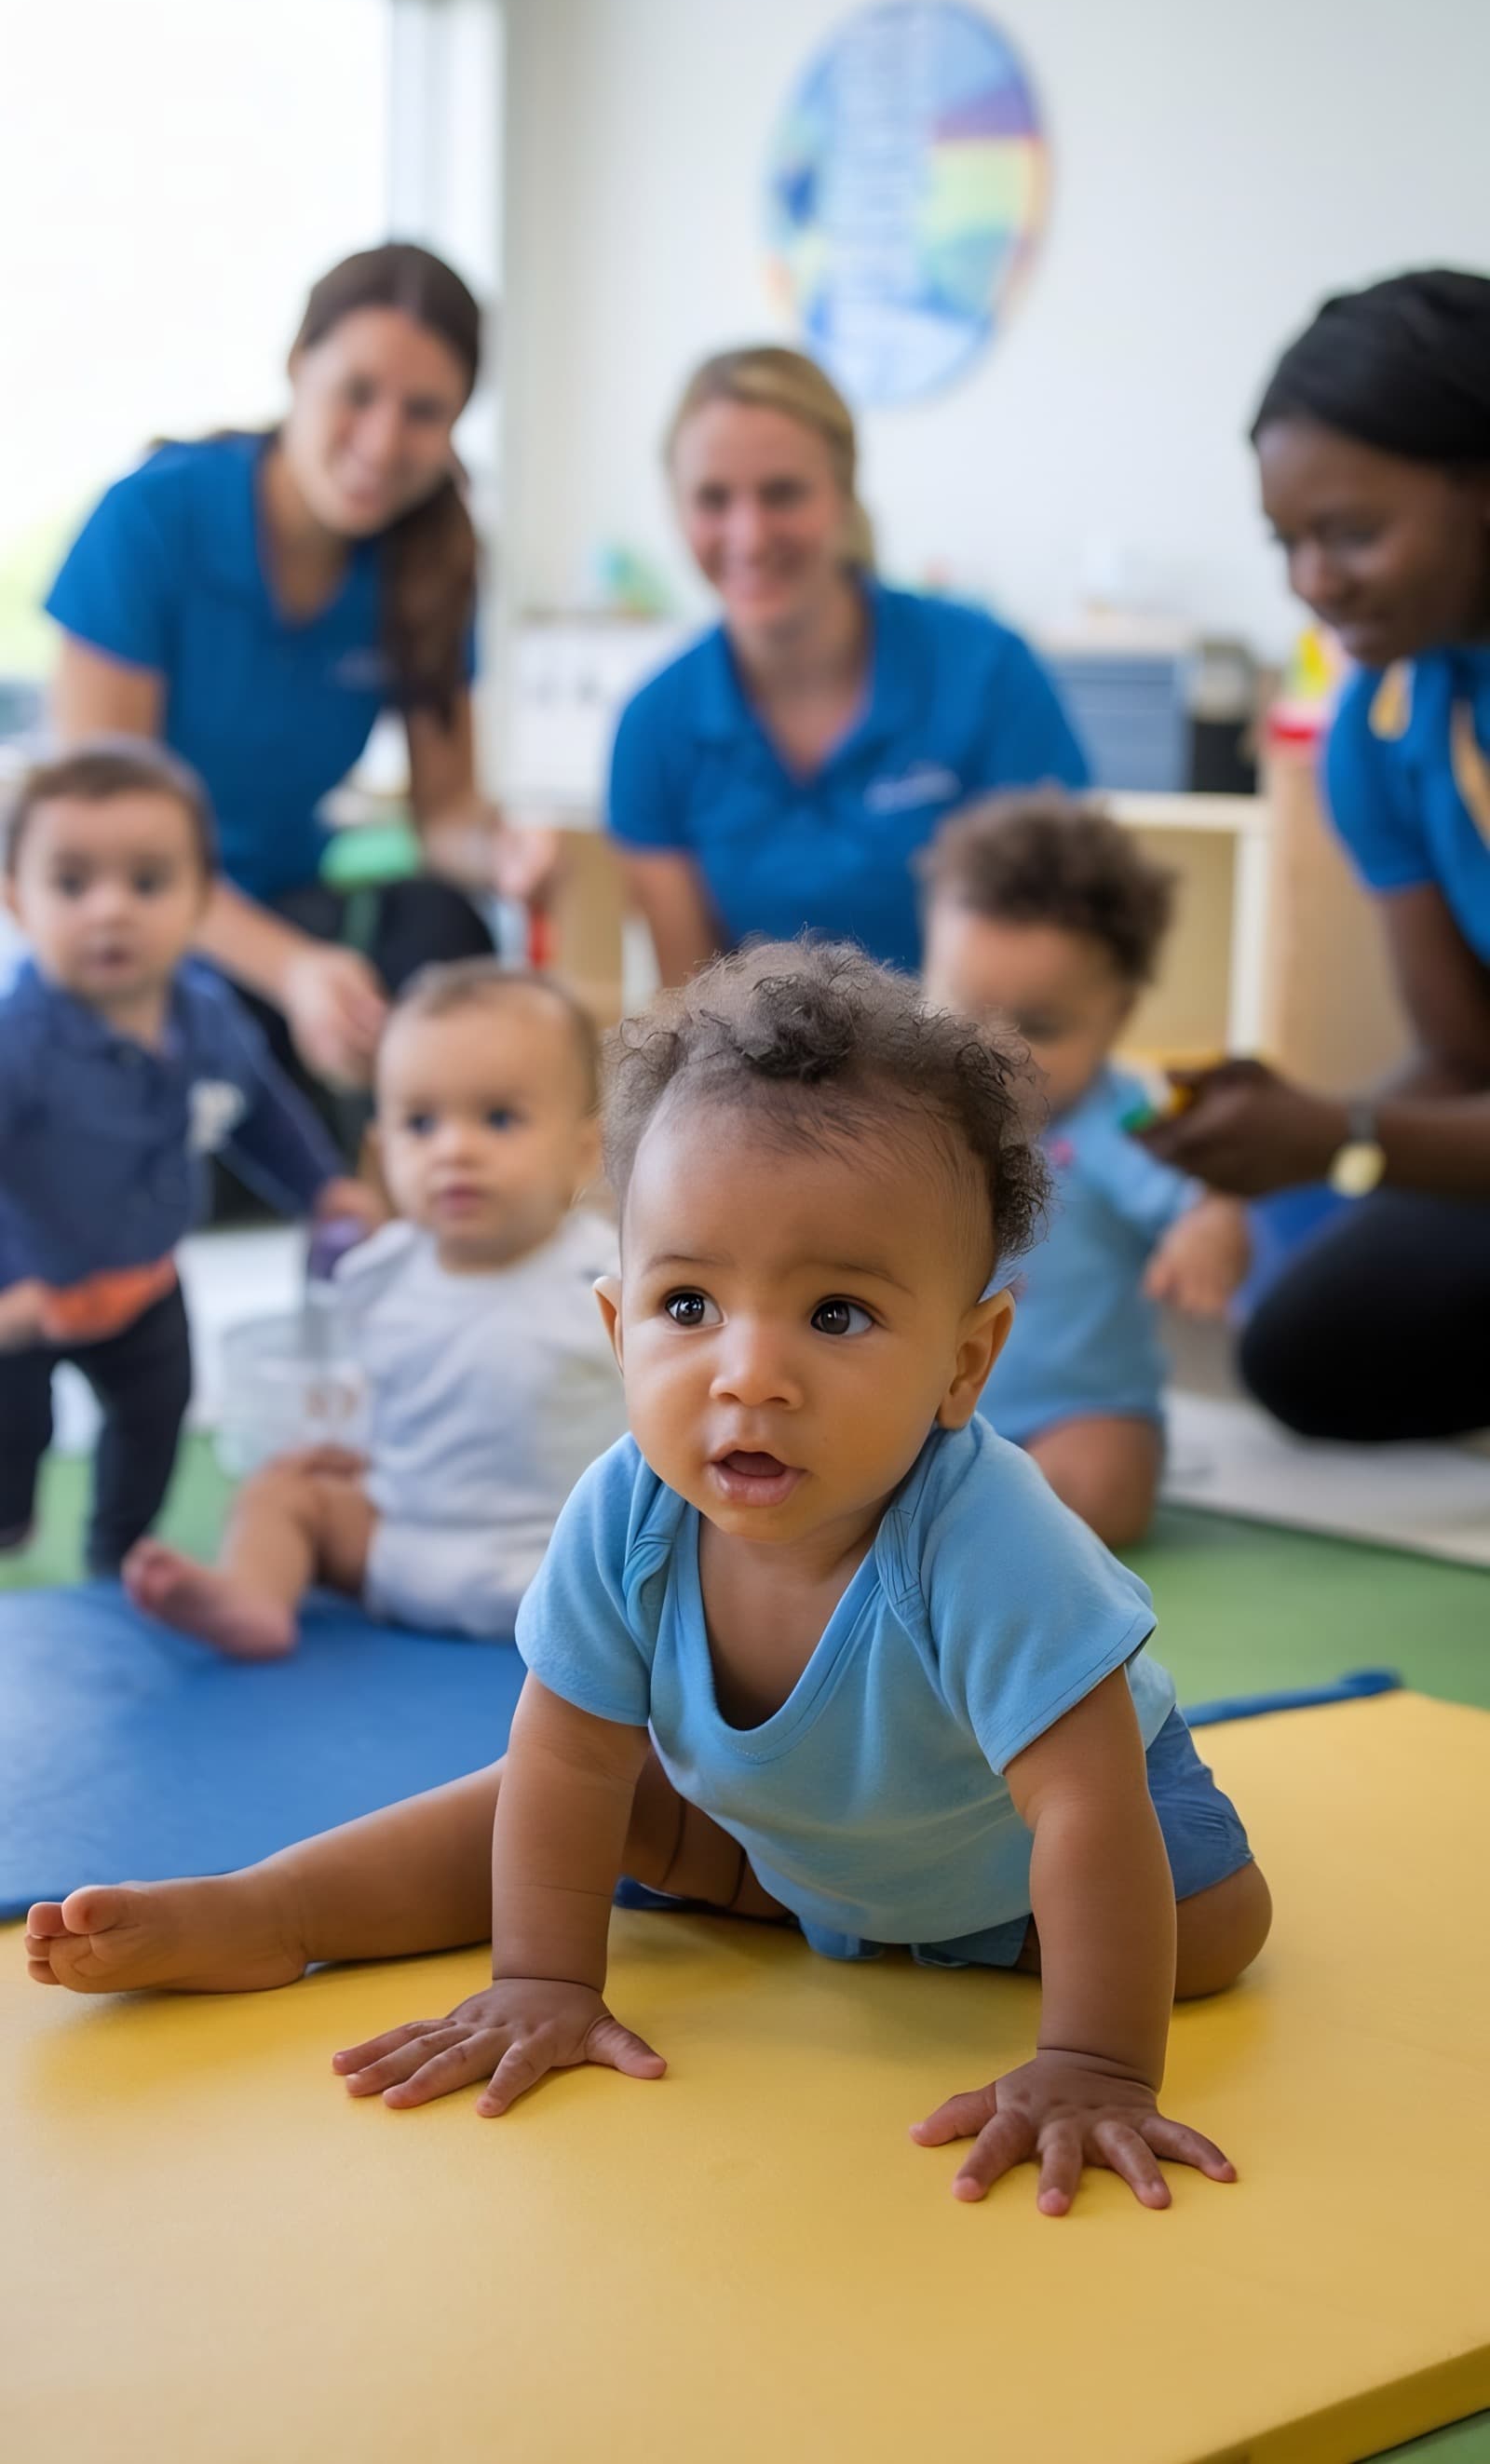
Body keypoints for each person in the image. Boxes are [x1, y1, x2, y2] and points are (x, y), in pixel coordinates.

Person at [28, 944, 1271, 2218]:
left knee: (1212, 1935)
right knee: (556, 1792)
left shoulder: (988, 1535)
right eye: (689, 1306)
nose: (749, 1373)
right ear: (620, 1328)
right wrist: (544, 1979)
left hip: (1027, 1867)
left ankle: (999, 1956)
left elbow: (1084, 1809)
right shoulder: (626, 1509)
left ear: (967, 1360)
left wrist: (1094, 2062)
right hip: (789, 1848)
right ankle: (276, 1910)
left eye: (835, 1314)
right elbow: (567, 1758)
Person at [45, 242, 555, 1111]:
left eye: (424, 411)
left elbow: (445, 814)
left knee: (445, 932)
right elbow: (102, 852)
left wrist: (500, 852)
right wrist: (291, 970)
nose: (382, 442)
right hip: (137, 922)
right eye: (357, 392)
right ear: (296, 366)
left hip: (289, 908)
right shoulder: (149, 521)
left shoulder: (431, 561)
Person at [1141, 270, 1490, 1442]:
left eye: (1351, 533)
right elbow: (1461, 1052)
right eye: (1287, 541)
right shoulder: (1384, 729)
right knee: (1302, 1343)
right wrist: (1271, 1136)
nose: (1311, 583)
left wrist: (1344, 1136)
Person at [123, 960, 626, 1655]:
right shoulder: (379, 1276)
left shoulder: (609, 1278)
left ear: (583, 1151)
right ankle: (252, 1599)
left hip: (570, 1574)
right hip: (401, 1550)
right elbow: (404, 1399)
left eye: (499, 1118)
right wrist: (352, 1453)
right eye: (421, 1123)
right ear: (381, 1150)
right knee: (279, 1490)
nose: (455, 1150)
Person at [607, 346, 1089, 982]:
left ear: (843, 492)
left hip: (971, 1041)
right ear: (677, 510)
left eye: (782, 493)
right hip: (753, 1050)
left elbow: (1049, 968)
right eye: (713, 499)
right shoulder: (654, 727)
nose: (749, 536)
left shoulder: (989, 675)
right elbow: (690, 1000)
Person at [0, 742, 367, 1574]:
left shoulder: (205, 1018)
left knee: (153, 1420)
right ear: (17, 899)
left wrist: (322, 1187)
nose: (110, 911)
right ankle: (10, 1511)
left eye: (148, 882)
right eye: (72, 884)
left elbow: (259, 1110)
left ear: (203, 899)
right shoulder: (18, 1042)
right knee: (14, 1432)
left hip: (143, 1283)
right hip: (27, 1297)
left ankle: (117, 1550)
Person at [922, 796, 1251, 1545]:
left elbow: (1199, 1193)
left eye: (1038, 1027)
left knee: (1104, 1486)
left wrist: (1212, 1224)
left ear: (1118, 1015)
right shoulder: (912, 1119)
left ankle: (1000, 1541)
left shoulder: (1121, 1123)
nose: (996, 1051)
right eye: (963, 1012)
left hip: (1076, 1410)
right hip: (925, 1404)